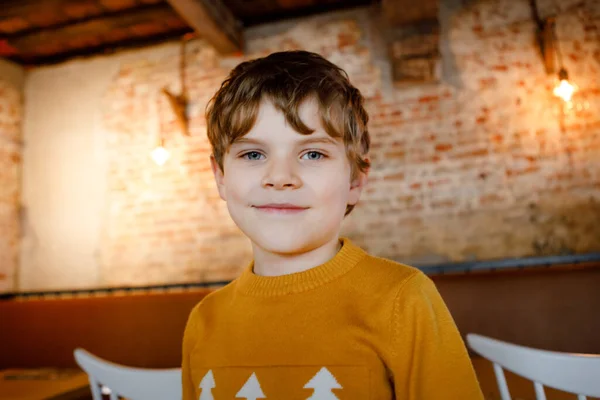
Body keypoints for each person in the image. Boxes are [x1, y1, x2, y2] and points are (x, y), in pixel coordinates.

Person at [182, 50, 483, 399]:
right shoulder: (203, 322)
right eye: (253, 154)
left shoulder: (403, 299)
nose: (280, 178)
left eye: (312, 154)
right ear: (220, 177)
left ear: (355, 181)